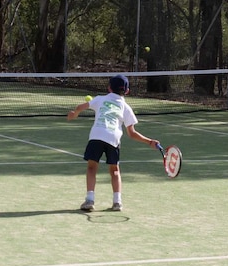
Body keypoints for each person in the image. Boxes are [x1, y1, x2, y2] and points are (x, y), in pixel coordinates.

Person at [67, 74, 160, 212]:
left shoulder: (100, 99)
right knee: (115, 171)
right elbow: (132, 133)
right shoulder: (126, 108)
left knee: (92, 168)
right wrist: (149, 141)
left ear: (109, 87)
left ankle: (90, 200)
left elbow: (80, 106)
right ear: (127, 91)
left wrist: (74, 114)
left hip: (97, 135)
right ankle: (117, 202)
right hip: (113, 138)